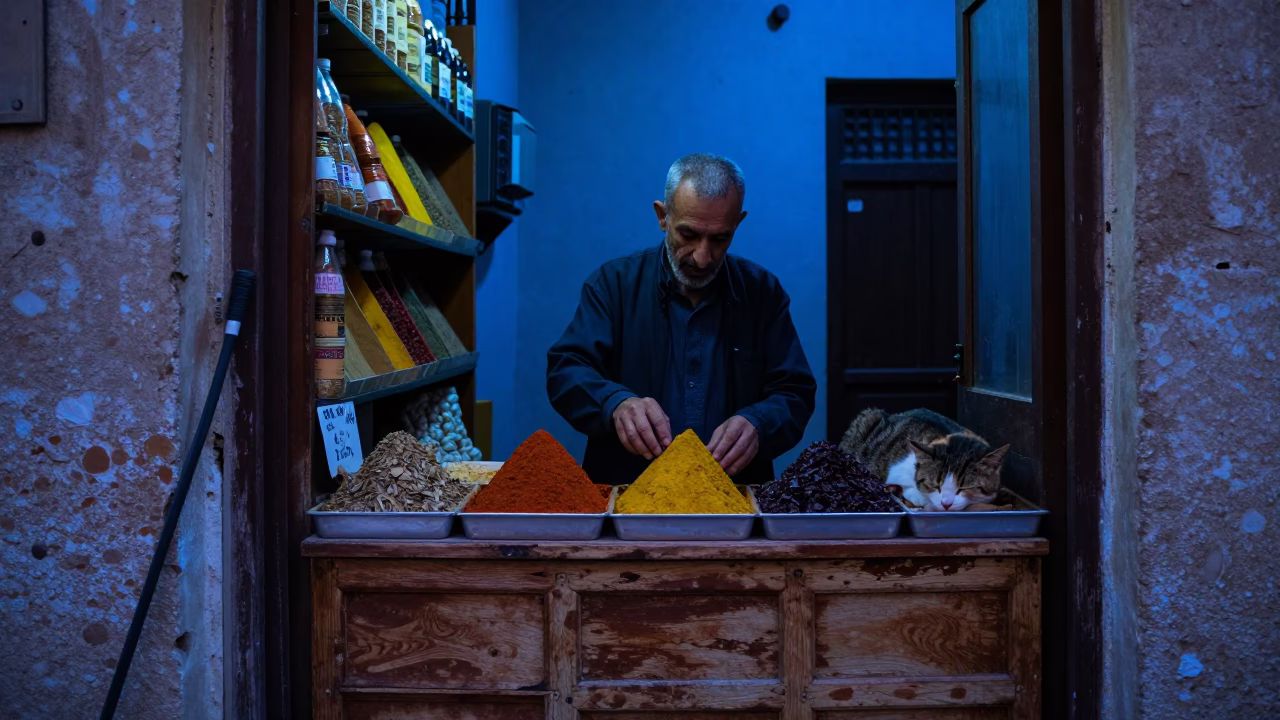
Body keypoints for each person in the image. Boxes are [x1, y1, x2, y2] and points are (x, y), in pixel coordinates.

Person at [546, 153, 816, 485]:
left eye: (720, 239)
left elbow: (795, 392)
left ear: (738, 223)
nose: (703, 258)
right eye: (688, 235)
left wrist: (759, 424)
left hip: (733, 496)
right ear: (663, 216)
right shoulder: (612, 285)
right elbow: (566, 370)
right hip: (629, 492)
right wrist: (614, 404)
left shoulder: (763, 294)